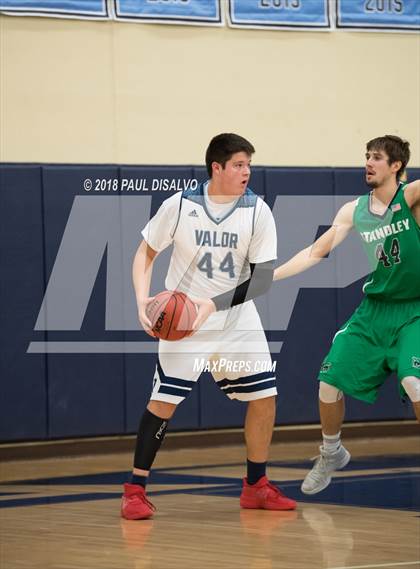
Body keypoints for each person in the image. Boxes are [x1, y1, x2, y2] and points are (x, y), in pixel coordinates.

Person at [121, 133, 297, 519]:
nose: (246, 171)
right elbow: (144, 253)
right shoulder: (180, 205)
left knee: (264, 399)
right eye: (238, 164)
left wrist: (212, 304)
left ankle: (256, 486)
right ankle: (134, 490)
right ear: (216, 168)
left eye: (248, 164)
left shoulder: (257, 211)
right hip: (185, 322)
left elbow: (263, 279)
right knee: (163, 402)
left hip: (235, 319)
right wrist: (141, 302)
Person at [273, 135, 420, 495]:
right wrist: (269, 276)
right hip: (374, 311)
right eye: (367, 156)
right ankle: (332, 451)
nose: (368, 163)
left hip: (415, 309)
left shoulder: (412, 198)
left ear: (396, 166)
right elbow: (315, 252)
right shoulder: (353, 211)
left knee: (414, 381)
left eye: (377, 158)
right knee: (329, 381)